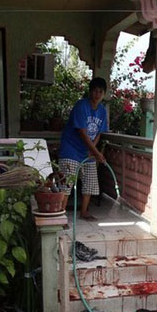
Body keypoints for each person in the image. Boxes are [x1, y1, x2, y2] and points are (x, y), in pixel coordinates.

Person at [58, 77, 109, 220]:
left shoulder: (102, 111)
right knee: (67, 184)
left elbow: (99, 133)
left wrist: (93, 151)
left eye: (100, 91)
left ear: (104, 94)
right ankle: (60, 215)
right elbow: (83, 133)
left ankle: (84, 212)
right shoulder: (81, 106)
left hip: (88, 151)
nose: (97, 94)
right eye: (95, 91)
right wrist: (97, 152)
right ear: (90, 92)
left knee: (90, 182)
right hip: (71, 149)